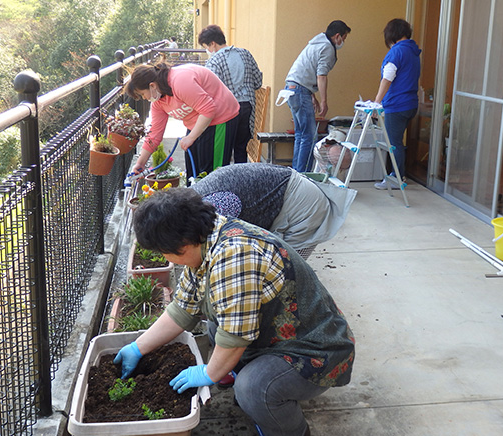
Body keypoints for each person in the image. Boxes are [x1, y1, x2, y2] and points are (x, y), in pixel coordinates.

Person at [114, 188, 355, 436]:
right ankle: (251, 385)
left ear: (183, 246)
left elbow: (234, 336)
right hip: (277, 336)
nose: (166, 258)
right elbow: (183, 309)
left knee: (254, 388)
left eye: (163, 253)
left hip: (316, 349)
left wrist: (210, 372)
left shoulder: (234, 256)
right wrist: (138, 347)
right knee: (215, 324)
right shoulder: (206, 237)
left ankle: (290, 429)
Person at [191, 162, 356, 252]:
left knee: (287, 270)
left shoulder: (215, 206)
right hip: (288, 194)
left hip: (302, 206)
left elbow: (222, 249)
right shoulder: (194, 199)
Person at [125, 61, 239, 181]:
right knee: (193, 174)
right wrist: (140, 163)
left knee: (212, 175)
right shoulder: (158, 102)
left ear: (152, 85)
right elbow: (154, 135)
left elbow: (208, 109)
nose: (144, 98)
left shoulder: (179, 82)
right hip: (198, 122)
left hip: (221, 117)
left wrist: (191, 138)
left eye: (143, 94)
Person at [283, 20, 351, 173]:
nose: (343, 42)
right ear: (337, 36)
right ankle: (303, 176)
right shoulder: (327, 47)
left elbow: (307, 71)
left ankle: (296, 172)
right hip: (300, 90)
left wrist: (313, 97)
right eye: (344, 38)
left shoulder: (316, 42)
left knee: (301, 135)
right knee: (309, 136)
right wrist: (325, 101)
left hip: (292, 88)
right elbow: (321, 75)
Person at [198, 25, 263, 163]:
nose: (208, 50)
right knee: (241, 148)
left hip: (227, 110)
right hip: (248, 107)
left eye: (207, 47)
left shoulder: (214, 61)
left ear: (213, 44)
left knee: (224, 150)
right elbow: (258, 82)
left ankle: (224, 181)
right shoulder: (245, 53)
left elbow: (209, 91)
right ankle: (241, 182)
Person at [373, 19, 421, 190]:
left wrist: (376, 102)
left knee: (393, 143)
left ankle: (396, 178)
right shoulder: (413, 52)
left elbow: (387, 78)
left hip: (397, 104)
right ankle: (398, 175)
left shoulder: (397, 52)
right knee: (397, 142)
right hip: (410, 104)